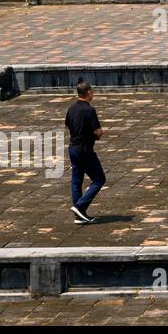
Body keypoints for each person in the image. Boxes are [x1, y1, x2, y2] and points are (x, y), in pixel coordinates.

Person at [65, 78, 106, 224]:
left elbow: (68, 126)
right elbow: (98, 132)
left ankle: (79, 215)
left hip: (73, 148)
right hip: (85, 150)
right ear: (88, 92)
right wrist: (95, 135)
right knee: (99, 179)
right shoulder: (89, 110)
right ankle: (79, 206)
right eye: (92, 92)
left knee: (77, 181)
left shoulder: (71, 109)